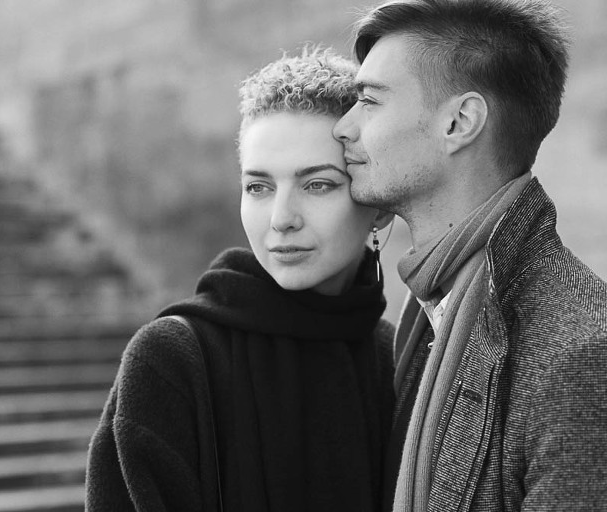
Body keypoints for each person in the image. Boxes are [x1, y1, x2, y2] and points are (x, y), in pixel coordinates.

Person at [332, 0, 607, 510]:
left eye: (369, 101)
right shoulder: (432, 317)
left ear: (460, 122)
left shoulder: (584, 354)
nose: (343, 128)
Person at [85, 47, 396, 512]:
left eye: (317, 184)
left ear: (377, 201)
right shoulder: (171, 361)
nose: (281, 219)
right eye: (259, 187)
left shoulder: (398, 361)